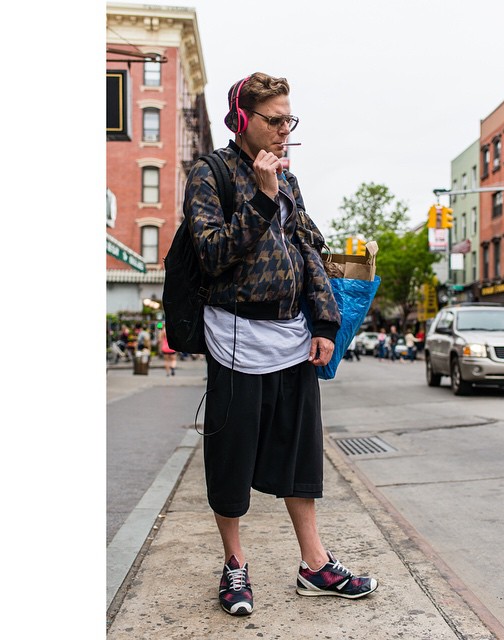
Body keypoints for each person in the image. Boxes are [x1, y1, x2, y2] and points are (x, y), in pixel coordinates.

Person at [184, 72, 377, 616]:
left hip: (292, 335)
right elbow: (213, 254)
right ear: (243, 120)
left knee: (299, 453)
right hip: (235, 336)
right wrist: (264, 198)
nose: (284, 131)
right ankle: (234, 565)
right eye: (274, 120)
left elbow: (310, 253)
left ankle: (314, 565)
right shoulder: (210, 173)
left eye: (290, 120)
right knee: (232, 453)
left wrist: (324, 323)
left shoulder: (290, 180)